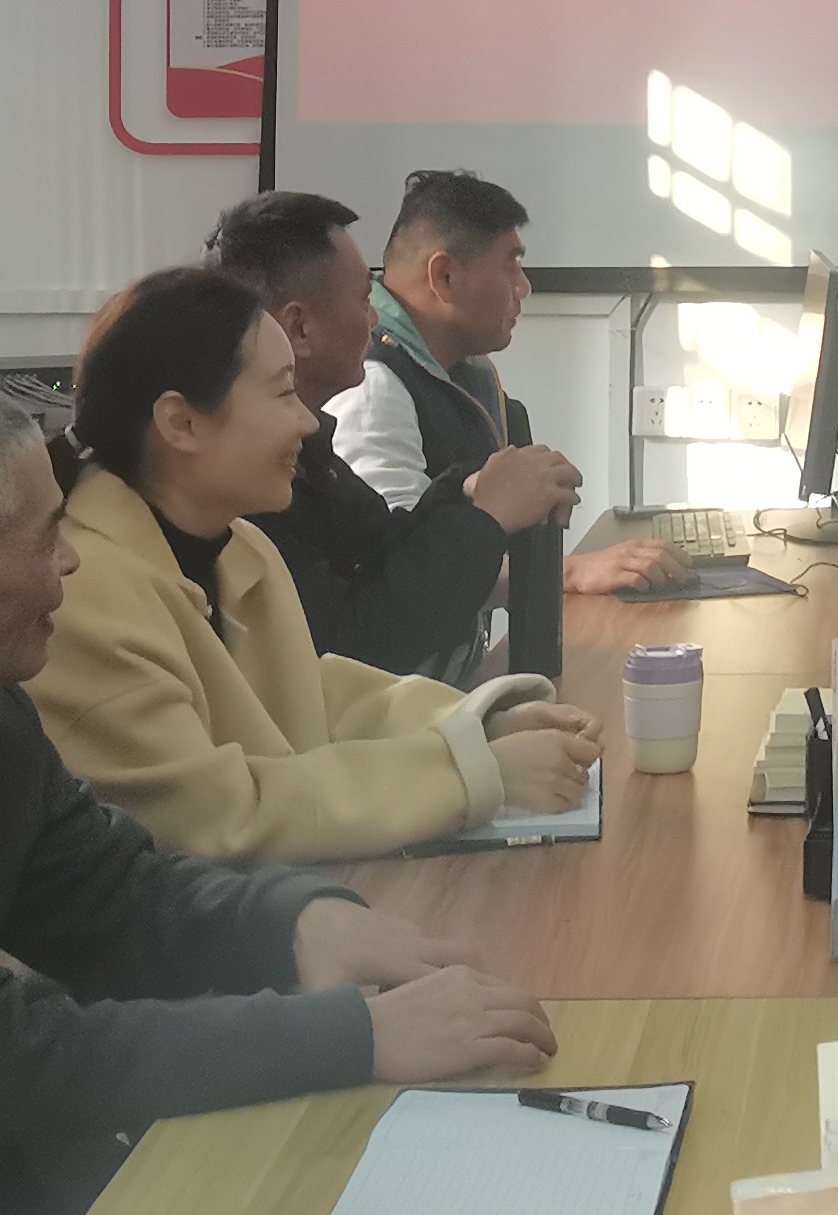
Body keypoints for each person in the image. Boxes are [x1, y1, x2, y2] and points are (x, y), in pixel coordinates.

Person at [0, 372, 560, 1215]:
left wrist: (300, 923)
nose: (71, 563)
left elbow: (118, 891)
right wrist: (356, 1035)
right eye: (46, 537)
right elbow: (1, 1058)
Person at [33, 262, 603, 862]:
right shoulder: (80, 592)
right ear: (182, 422)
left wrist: (480, 726)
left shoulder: (240, 547)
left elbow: (312, 700)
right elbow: (219, 815)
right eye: (283, 392)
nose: (308, 421)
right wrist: (470, 772)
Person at [207, 187, 669, 678]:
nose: (373, 316)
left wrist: (465, 491)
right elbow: (365, 641)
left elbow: (384, 547)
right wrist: (490, 518)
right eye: (363, 297)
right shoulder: (267, 471)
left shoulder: (316, 448)